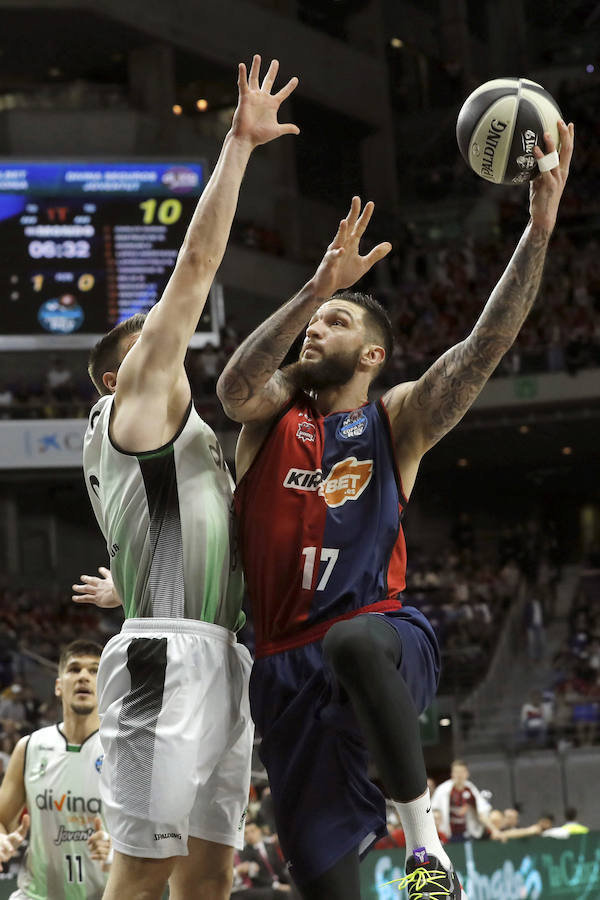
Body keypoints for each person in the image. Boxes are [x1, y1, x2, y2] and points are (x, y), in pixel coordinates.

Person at [216, 119, 574, 900]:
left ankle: (426, 848)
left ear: (374, 356)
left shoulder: (396, 419)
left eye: (337, 322)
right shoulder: (270, 422)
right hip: (282, 668)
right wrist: (315, 290)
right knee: (324, 885)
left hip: (382, 637)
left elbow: (483, 347)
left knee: (351, 639)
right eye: (315, 323)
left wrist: (538, 232)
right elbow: (235, 388)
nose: (317, 330)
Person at [80, 54, 299, 900]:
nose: (164, 338)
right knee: (142, 876)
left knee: (209, 876)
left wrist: (128, 585)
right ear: (117, 378)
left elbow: (172, 529)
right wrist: (238, 147)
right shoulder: (135, 402)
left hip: (219, 653)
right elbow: (198, 266)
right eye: (147, 338)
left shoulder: (176, 435)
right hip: (164, 657)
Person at [0, 640, 112, 900]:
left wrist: (116, 850)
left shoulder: (122, 751)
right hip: (35, 895)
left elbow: (154, 835)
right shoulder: (29, 747)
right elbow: (2, 819)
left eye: (94, 671)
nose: (83, 676)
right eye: (74, 669)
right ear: (58, 686)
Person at [431, 760, 499, 842]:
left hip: (468, 834)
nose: (459, 775)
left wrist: (494, 830)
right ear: (452, 774)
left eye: (462, 772)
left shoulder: (471, 789)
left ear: (467, 773)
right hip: (447, 836)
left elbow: (482, 812)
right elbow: (432, 812)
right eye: (456, 772)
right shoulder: (442, 790)